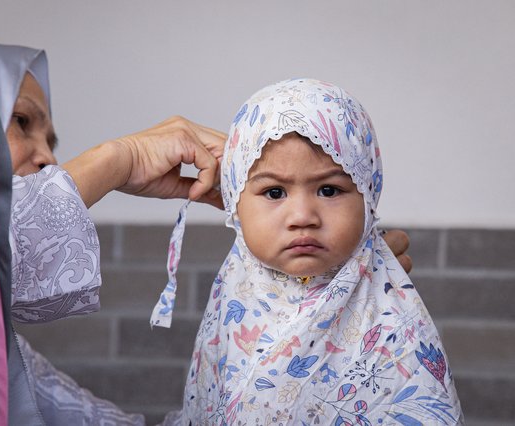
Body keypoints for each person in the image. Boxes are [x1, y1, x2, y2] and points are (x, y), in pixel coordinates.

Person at [0, 38, 412, 424]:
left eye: (329, 190)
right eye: (21, 122)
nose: (47, 157)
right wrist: (119, 158)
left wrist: (306, 328)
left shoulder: (0, 355)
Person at [154, 78, 462, 424]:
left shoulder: (394, 323)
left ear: (368, 195)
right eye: (274, 193)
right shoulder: (233, 300)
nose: (302, 217)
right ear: (235, 202)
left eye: (329, 190)